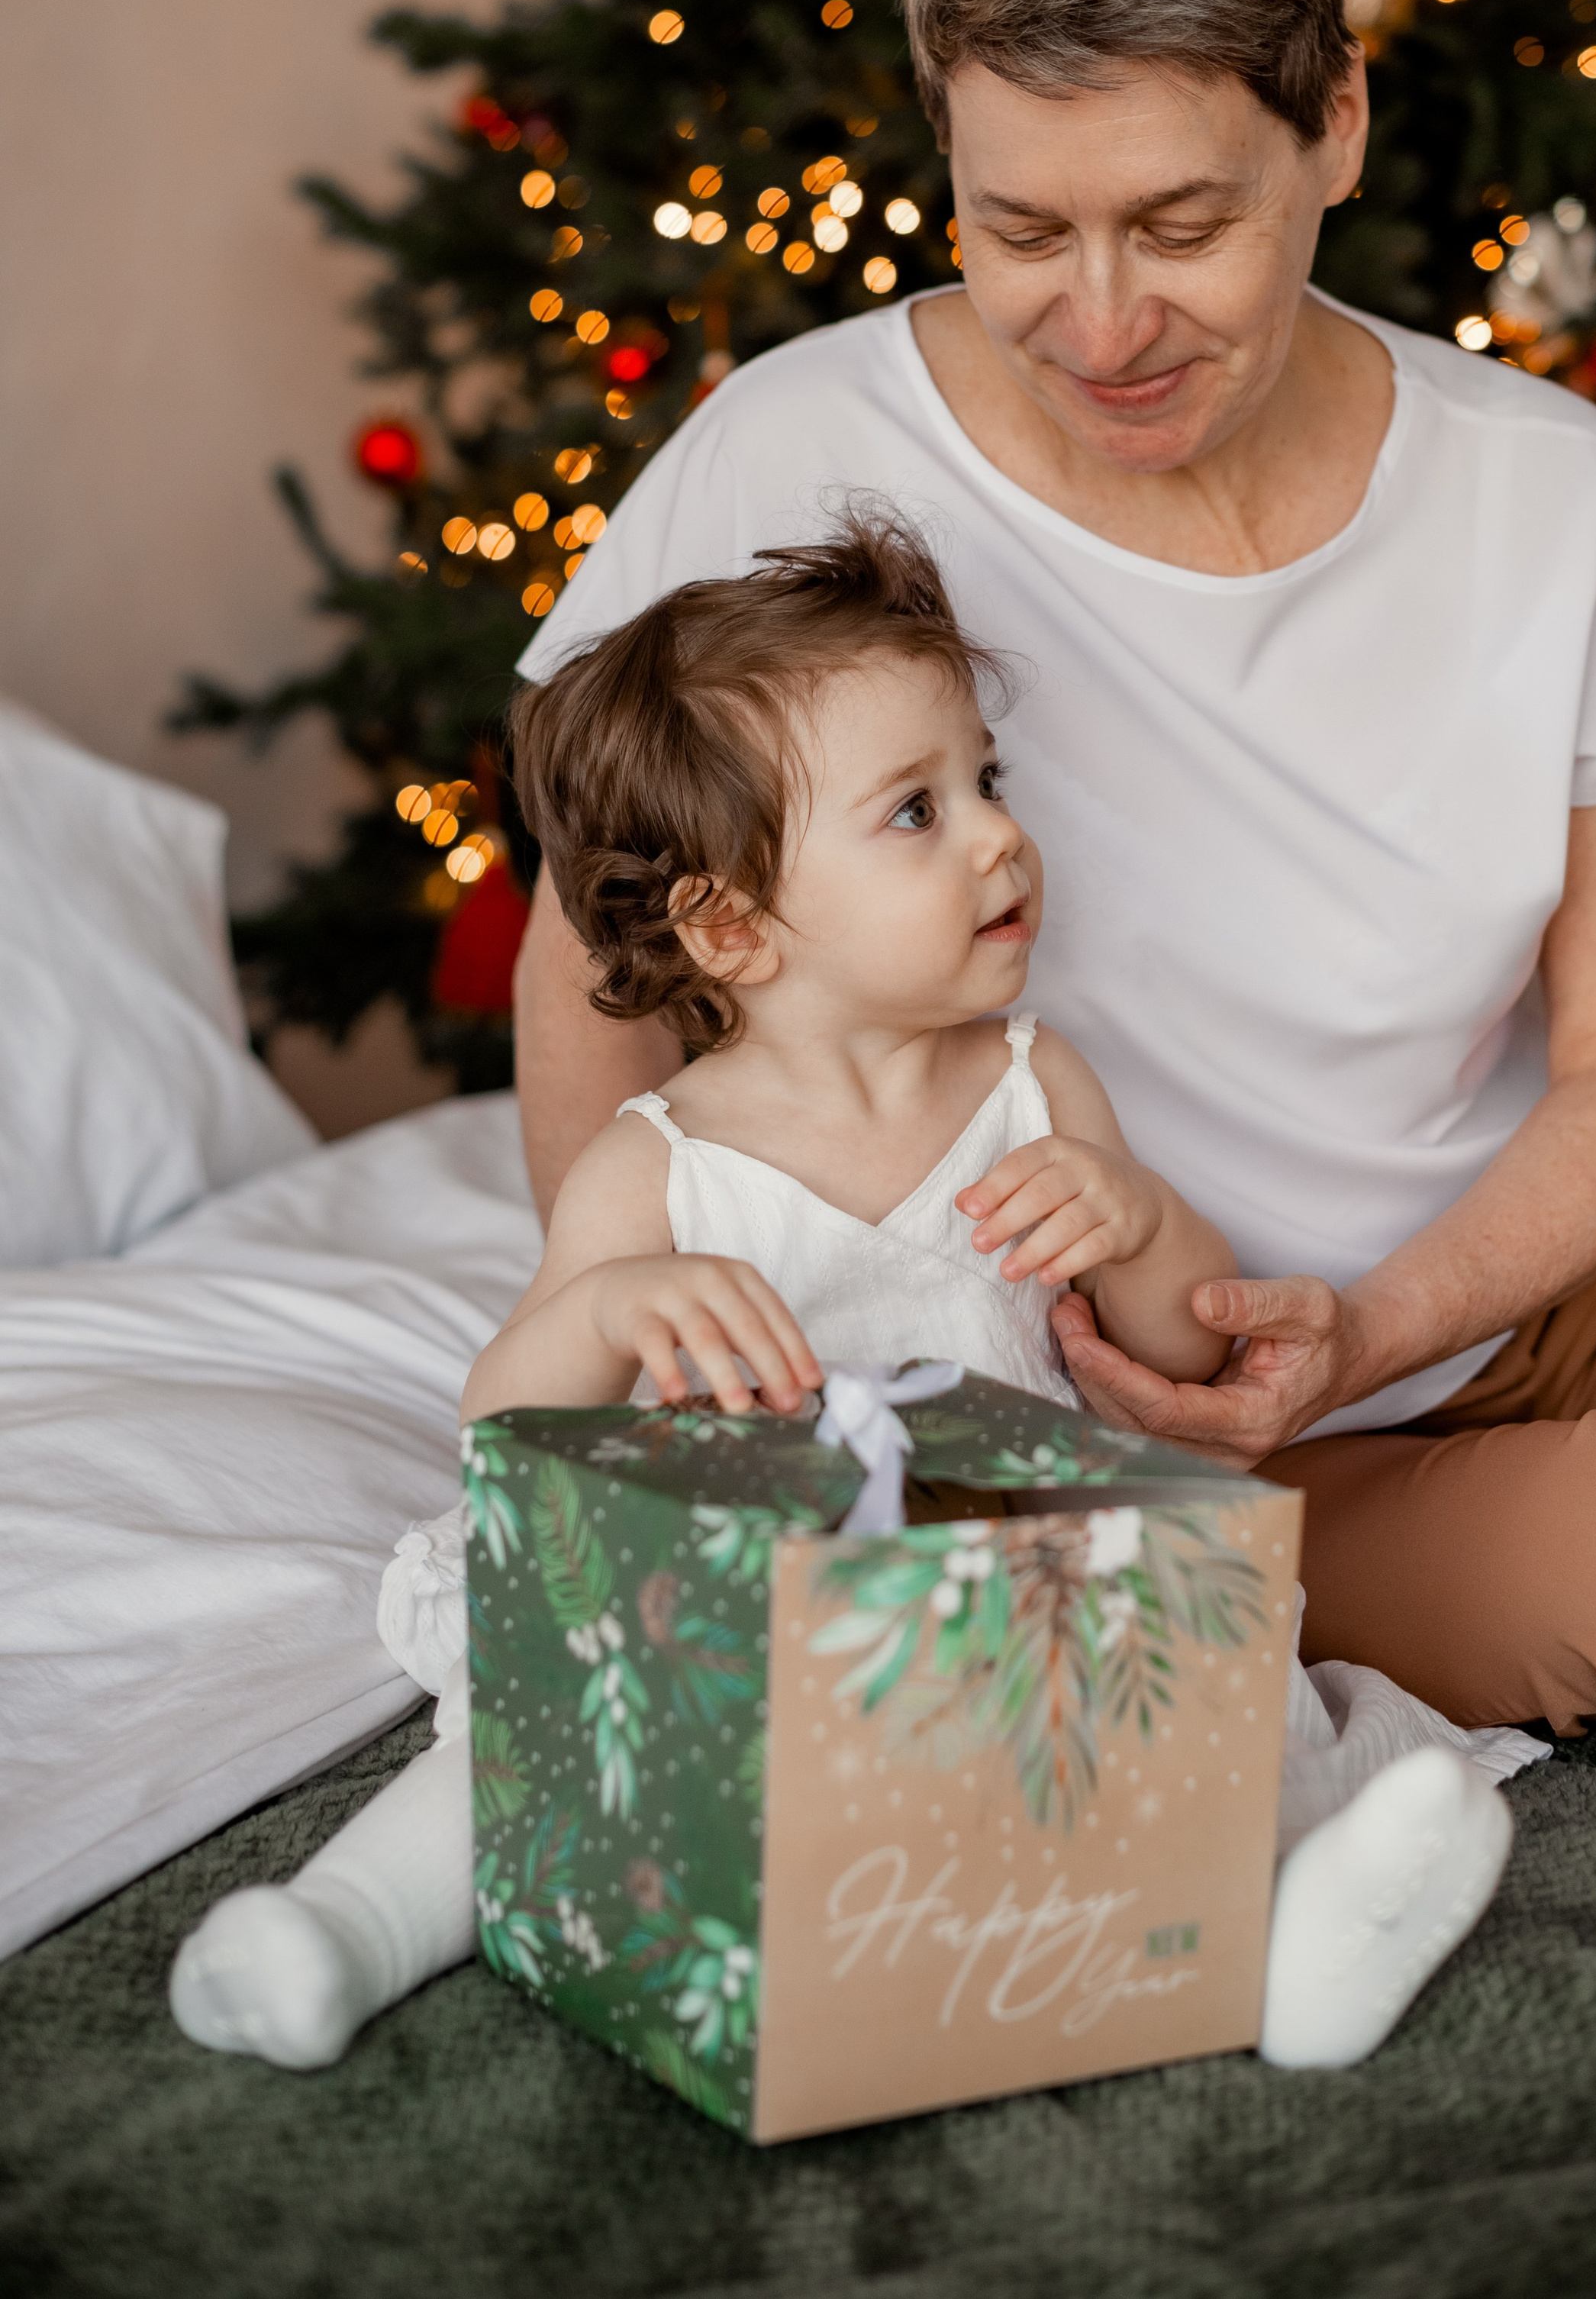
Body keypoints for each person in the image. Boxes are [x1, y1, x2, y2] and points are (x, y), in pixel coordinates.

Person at [514, 0, 1596, 1747]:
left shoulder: (1552, 496)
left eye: (1184, 221)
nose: (1101, 323)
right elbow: (594, 966)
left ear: (1337, 127)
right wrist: (631, 1395)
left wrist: (1388, 1312)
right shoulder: (787, 462)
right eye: (1021, 224)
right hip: (1196, 1429)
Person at [169, 514, 1527, 2078]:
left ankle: (1284, 1951)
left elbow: (1169, 1354)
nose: (995, 837)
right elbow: (508, 1421)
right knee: (532, 1738)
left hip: (1004, 1616)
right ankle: (341, 1931)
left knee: (1190, 1730)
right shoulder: (657, 1163)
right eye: (913, 811)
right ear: (735, 924)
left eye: (984, 785)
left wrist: (1137, 1215)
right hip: (725, 1632)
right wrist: (615, 1311)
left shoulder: (1033, 1085)